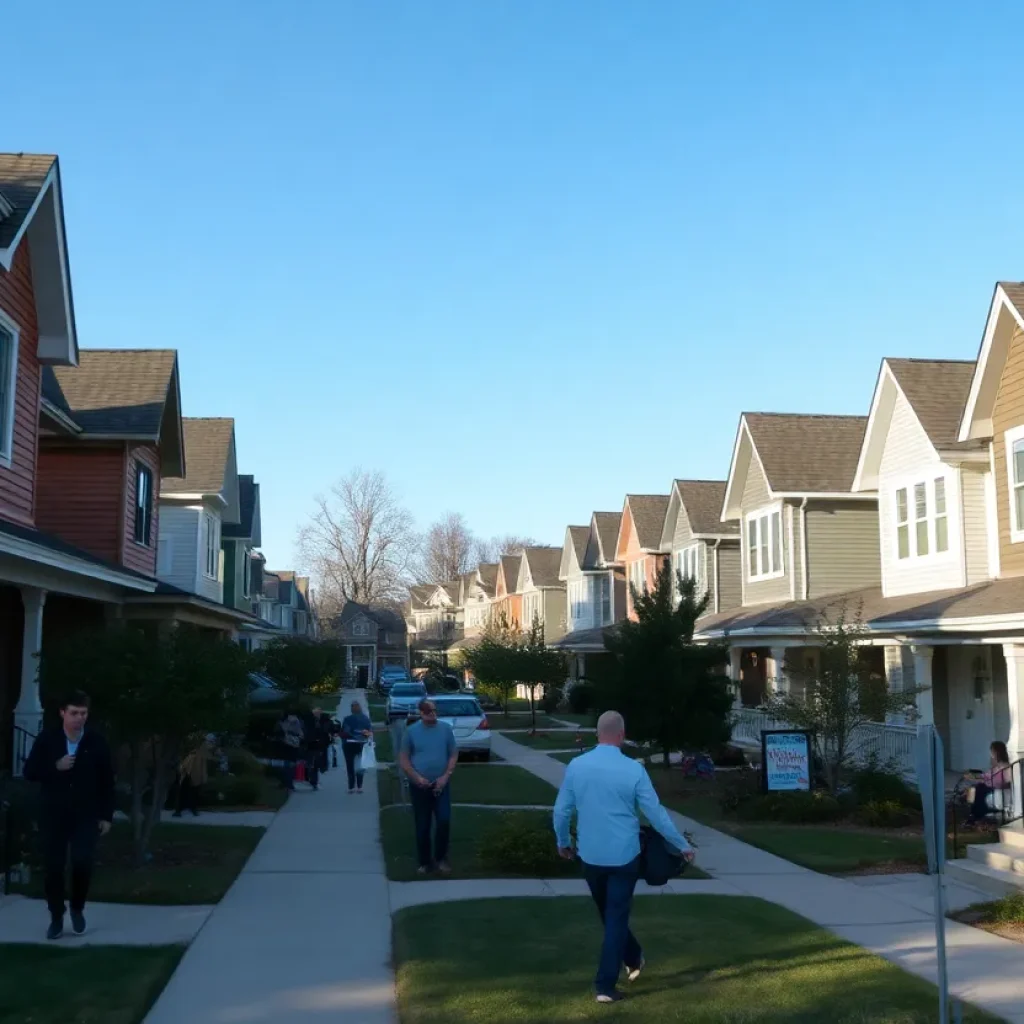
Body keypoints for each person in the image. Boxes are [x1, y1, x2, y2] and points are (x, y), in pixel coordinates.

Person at [553, 710, 694, 1005]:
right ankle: (631, 957)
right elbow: (655, 813)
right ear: (622, 734)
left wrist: (563, 841)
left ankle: (605, 983)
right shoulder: (633, 769)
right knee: (612, 916)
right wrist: (681, 843)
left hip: (590, 855)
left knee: (611, 916)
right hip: (623, 855)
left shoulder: (577, 766)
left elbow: (562, 810)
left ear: (597, 734)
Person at [22, 690, 115, 940]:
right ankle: (55, 916)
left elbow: (107, 781)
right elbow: (30, 771)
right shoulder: (48, 739)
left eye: (83, 713)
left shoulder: (96, 742)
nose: (79, 718)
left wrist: (106, 816)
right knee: (53, 867)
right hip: (54, 814)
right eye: (74, 713)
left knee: (83, 862)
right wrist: (55, 767)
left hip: (86, 814)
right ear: (63, 713)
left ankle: (77, 908)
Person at [400, 698, 458, 874]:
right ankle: (425, 862)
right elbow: (404, 759)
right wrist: (417, 777)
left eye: (434, 711)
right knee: (423, 825)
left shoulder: (445, 730)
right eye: (429, 712)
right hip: (420, 786)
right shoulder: (411, 732)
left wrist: (446, 776)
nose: (433, 715)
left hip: (441, 784)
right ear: (421, 713)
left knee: (443, 820)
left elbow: (453, 754)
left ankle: (441, 858)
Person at [965, 740, 1012, 826]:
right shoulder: (996, 766)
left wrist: (987, 782)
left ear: (997, 752)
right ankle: (973, 815)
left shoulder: (1005, 767)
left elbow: (1005, 782)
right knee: (975, 787)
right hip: (990, 787)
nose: (991, 755)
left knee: (979, 789)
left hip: (997, 790)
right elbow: (986, 776)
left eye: (992, 752)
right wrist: (974, 777)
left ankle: (975, 816)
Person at [340, 701, 374, 794]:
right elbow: (369, 732)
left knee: (349, 765)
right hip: (361, 744)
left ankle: (351, 787)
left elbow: (345, 732)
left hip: (348, 744)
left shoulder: (347, 719)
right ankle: (360, 786)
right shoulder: (365, 719)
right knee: (360, 765)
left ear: (352, 709)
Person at [174, 735, 211, 817]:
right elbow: (183, 763)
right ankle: (179, 810)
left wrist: (203, 777)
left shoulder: (201, 753)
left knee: (194, 793)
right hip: (186, 774)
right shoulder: (188, 751)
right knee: (183, 793)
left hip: (195, 775)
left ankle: (192, 809)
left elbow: (203, 766)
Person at [275, 709, 304, 791]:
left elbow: (281, 732)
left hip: (287, 745)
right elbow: (301, 734)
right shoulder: (298, 722)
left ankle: (287, 783)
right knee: (289, 765)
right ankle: (288, 783)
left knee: (287, 765)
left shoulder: (285, 722)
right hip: (293, 745)